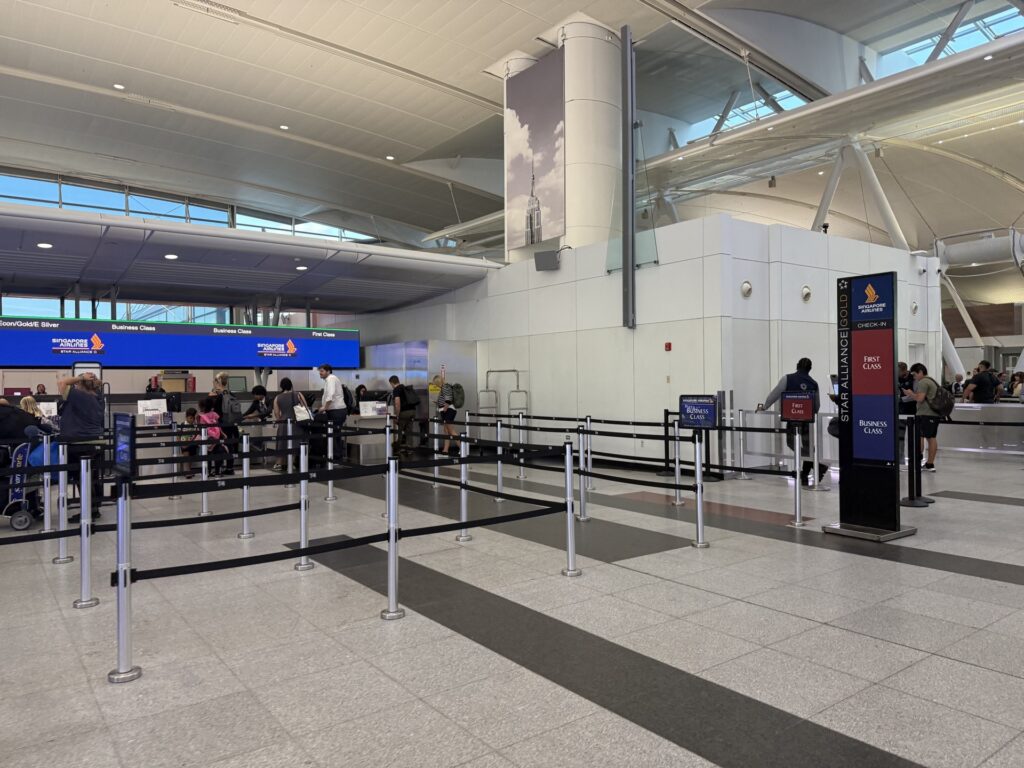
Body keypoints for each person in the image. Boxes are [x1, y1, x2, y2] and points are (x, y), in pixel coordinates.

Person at [757, 357, 828, 485]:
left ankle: (812, 470)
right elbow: (817, 405)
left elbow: (775, 394)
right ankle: (809, 472)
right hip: (807, 421)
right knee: (807, 447)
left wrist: (764, 406)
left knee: (792, 443)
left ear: (797, 365)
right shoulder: (814, 383)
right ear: (810, 368)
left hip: (792, 419)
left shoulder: (787, 378)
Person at [57, 372, 106, 521]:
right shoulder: (98, 398)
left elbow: (62, 383)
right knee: (93, 478)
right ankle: (95, 509)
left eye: (77, 383)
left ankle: (88, 512)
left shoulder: (78, 396)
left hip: (80, 443)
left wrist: (80, 377)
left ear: (80, 384)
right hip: (96, 442)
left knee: (82, 479)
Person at [902, 363, 940, 472]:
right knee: (931, 438)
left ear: (920, 372)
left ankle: (916, 463)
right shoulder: (932, 380)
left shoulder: (923, 382)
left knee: (920, 437)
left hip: (925, 413)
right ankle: (929, 464)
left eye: (914, 374)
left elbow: (920, 398)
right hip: (933, 413)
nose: (914, 377)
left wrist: (910, 393)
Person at [272, 377, 308, 471]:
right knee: (295, 442)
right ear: (291, 385)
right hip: (296, 422)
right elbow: (305, 406)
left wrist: (280, 420)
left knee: (282, 443)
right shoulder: (298, 394)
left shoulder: (277, 397)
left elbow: (276, 412)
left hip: (283, 423)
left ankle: (279, 464)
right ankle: (291, 464)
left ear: (281, 386)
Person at [316, 363, 348, 461]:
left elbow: (330, 395)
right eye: (319, 371)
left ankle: (335, 457)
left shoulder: (331, 379)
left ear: (328, 371)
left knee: (333, 434)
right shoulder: (329, 380)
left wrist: (324, 408)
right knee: (335, 434)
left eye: (322, 371)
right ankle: (336, 456)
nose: (320, 373)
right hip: (336, 411)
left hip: (336, 411)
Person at [209, 372, 237, 475]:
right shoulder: (230, 393)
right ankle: (230, 468)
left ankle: (218, 468)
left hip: (220, 423)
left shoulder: (218, 395)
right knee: (229, 445)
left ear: (218, 381)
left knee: (219, 446)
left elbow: (213, 409)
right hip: (230, 422)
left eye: (215, 380)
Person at [197, 398, 228, 476]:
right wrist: (222, 433)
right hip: (216, 437)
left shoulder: (201, 416)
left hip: (207, 438)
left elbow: (201, 428)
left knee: (208, 455)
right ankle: (217, 471)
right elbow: (218, 425)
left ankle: (209, 471)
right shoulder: (213, 414)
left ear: (203, 407)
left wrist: (222, 433)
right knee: (218, 453)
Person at [389, 375, 416, 455]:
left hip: (404, 412)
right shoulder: (405, 388)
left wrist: (397, 415)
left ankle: (398, 449)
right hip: (413, 411)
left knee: (399, 430)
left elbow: (397, 403)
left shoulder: (396, 390)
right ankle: (409, 448)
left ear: (391, 383)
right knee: (409, 430)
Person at [432, 371, 458, 454]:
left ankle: (463, 448)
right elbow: (446, 399)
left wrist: (445, 409)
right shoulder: (444, 387)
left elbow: (448, 399)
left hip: (448, 411)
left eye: (435, 383)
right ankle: (445, 450)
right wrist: (438, 403)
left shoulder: (445, 387)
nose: (435, 385)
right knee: (446, 431)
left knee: (451, 431)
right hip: (447, 411)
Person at [180, 408, 199, 478]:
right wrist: (180, 444)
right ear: (186, 417)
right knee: (186, 456)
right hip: (184, 444)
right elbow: (178, 435)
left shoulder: (195, 425)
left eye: (193, 418)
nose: (192, 420)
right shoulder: (183, 424)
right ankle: (187, 472)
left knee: (191, 457)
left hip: (192, 444)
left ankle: (189, 470)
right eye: (190, 418)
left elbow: (196, 435)